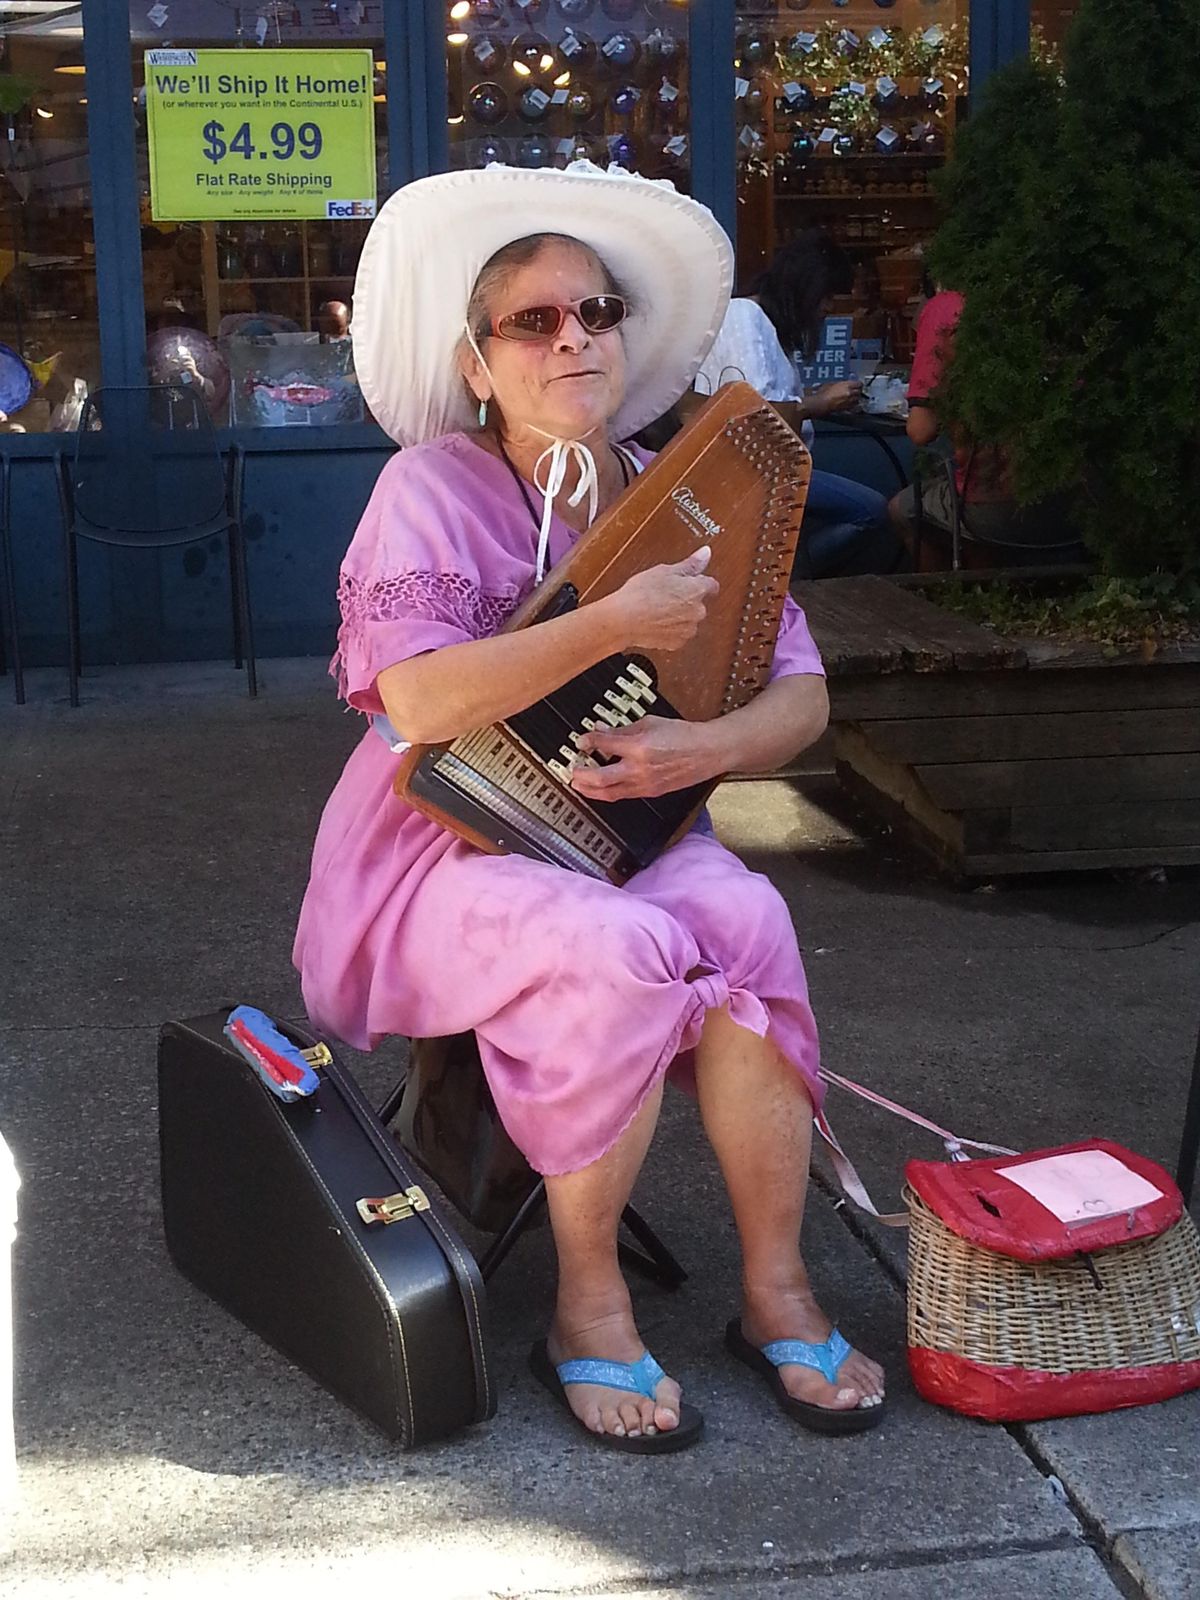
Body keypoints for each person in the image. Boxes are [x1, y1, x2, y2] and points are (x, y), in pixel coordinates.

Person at [293, 161, 885, 1454]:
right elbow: (419, 697)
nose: (574, 336)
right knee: (621, 951)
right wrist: (609, 622)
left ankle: (777, 1288)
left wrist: (703, 747)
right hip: (438, 851)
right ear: (479, 363)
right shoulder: (430, 489)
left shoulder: (686, 493)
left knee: (750, 923)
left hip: (628, 833)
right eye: (534, 319)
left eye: (597, 311)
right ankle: (588, 1305)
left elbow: (803, 696)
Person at [693, 230, 905, 580]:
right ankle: (791, 571)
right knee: (870, 510)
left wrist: (816, 395)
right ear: (807, 286)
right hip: (754, 476)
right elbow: (756, 415)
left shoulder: (770, 325)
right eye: (827, 296)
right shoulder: (745, 317)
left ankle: (788, 568)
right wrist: (817, 403)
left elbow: (771, 394)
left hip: (779, 471)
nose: (828, 308)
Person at [888, 288, 1081, 569]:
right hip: (1083, 505)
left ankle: (946, 593)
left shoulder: (948, 309)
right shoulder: (1059, 295)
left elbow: (920, 430)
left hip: (996, 507)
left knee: (903, 508)